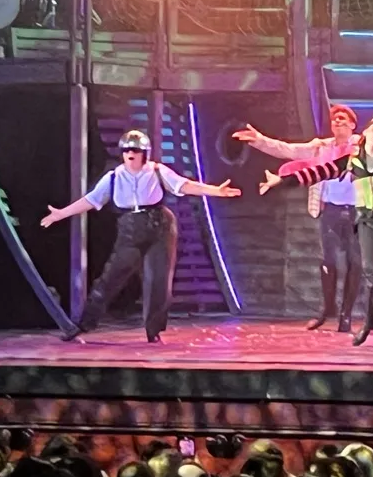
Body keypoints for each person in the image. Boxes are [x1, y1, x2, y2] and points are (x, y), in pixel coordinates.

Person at [259, 111, 373, 347]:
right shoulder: (352, 160)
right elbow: (316, 173)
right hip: (366, 219)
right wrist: (281, 181)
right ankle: (369, 322)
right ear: (364, 135)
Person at [42, 128, 241, 342]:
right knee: (111, 277)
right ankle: (83, 324)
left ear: (144, 153)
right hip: (130, 226)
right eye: (127, 150)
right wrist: (61, 214)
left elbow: (184, 185)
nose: (131, 154)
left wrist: (215, 191)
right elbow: (91, 200)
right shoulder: (114, 177)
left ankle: (153, 331)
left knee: (158, 280)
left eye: (135, 151)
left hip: (160, 225)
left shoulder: (157, 171)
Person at [235, 105, 362, 332]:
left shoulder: (364, 146)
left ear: (353, 125)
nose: (338, 122)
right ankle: (327, 309)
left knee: (355, 263)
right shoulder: (320, 148)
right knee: (329, 262)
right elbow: (288, 150)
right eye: (335, 120)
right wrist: (259, 140)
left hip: (358, 212)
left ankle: (346, 316)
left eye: (343, 119)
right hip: (331, 210)